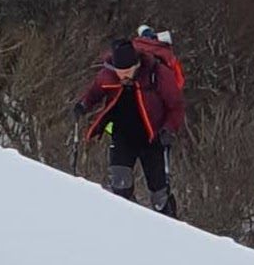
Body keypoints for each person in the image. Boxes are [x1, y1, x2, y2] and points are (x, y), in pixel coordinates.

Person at [74, 33, 185, 211]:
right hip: (122, 135)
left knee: (159, 195)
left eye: (127, 72)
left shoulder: (158, 74)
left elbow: (176, 106)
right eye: (120, 72)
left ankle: (168, 226)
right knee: (120, 184)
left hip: (153, 137)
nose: (123, 76)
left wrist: (169, 129)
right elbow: (94, 93)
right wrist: (82, 105)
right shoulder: (108, 73)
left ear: (137, 65)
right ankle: (124, 220)